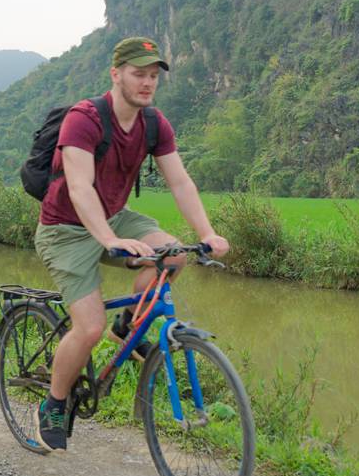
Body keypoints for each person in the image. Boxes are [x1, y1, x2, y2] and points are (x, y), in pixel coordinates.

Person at [32, 36, 230, 452]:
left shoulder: (154, 124)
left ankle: (129, 326)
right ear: (116, 74)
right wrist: (108, 238)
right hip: (65, 228)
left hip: (117, 218)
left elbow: (180, 182)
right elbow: (80, 187)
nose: (147, 83)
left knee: (176, 253)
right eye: (139, 74)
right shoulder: (83, 119)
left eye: (153, 75)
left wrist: (208, 234)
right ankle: (53, 402)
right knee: (88, 327)